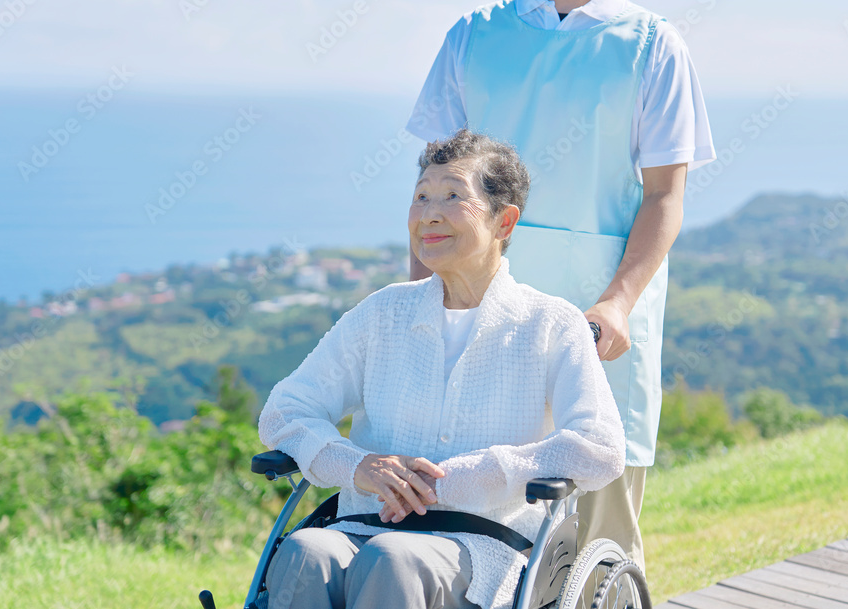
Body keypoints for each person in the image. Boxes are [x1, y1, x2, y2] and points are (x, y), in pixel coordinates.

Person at [404, 0, 717, 571]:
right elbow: (434, 195)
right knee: (470, 529)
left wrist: (618, 302)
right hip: (477, 317)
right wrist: (421, 307)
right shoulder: (473, 38)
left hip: (600, 325)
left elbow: (665, 196)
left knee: (599, 546)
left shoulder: (651, 45)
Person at [257, 129, 625, 609]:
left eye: (453, 196)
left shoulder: (551, 324)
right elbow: (283, 412)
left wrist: (478, 475)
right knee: (306, 550)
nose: (429, 213)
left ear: (504, 222)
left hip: (484, 541)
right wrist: (360, 467)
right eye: (420, 197)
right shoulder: (382, 313)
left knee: (393, 559)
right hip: (362, 526)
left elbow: (600, 448)